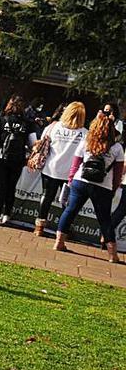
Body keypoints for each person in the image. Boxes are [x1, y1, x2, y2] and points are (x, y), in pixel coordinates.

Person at [54, 109, 123, 263]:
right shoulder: (117, 148)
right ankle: (112, 254)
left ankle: (59, 242)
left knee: (70, 211)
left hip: (81, 181)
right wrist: (113, 188)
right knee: (105, 219)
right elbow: (118, 174)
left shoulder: (86, 141)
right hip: (102, 185)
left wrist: (71, 180)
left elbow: (76, 163)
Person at [34, 102, 86, 236]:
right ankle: (63, 231)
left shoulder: (53, 127)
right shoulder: (84, 133)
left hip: (50, 168)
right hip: (70, 174)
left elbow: (42, 142)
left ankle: (39, 227)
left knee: (46, 197)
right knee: (68, 204)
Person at [0, 95, 37, 225]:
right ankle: (7, 214)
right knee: (11, 187)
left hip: (2, 158)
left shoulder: (3, 120)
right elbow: (34, 143)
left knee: (1, 186)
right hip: (18, 160)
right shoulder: (28, 123)